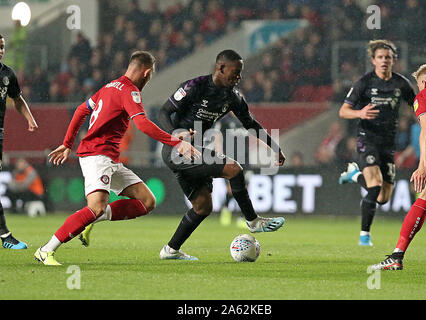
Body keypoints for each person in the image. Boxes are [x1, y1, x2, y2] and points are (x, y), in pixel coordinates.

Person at [34, 51, 200, 266]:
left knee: (147, 201)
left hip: (109, 158)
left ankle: (88, 219)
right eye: (149, 78)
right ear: (147, 73)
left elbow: (80, 110)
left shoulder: (109, 87)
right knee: (95, 207)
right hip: (97, 155)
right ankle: (45, 250)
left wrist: (67, 143)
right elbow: (142, 124)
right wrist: (176, 143)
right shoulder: (130, 92)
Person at [156, 49, 286, 260]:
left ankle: (170, 250)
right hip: (176, 150)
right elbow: (163, 112)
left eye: (240, 73)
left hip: (195, 152)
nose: (239, 77)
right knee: (234, 169)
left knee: (203, 206)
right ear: (221, 68)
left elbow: (251, 124)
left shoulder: (233, 97)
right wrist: (175, 136)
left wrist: (274, 147)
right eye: (235, 72)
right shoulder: (193, 87)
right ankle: (253, 222)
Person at [337, 40, 416, 246]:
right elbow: (343, 111)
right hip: (367, 138)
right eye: (380, 57)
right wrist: (360, 112)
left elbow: (417, 104)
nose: (384, 61)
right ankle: (365, 235)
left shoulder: (401, 83)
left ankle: (354, 175)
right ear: (373, 60)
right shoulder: (364, 82)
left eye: (388, 57)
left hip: (388, 144)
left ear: (393, 60)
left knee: (382, 198)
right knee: (375, 187)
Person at [371, 63, 426, 270]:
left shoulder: (424, 96)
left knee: (425, 197)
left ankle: (397, 256)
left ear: (423, 83)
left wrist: (422, 165)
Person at [0, 34, 38, 249]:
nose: (1, 50)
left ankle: (5, 236)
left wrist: (29, 117)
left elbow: (17, 99)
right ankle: (5, 235)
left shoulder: (7, 74)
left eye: (3, 47)